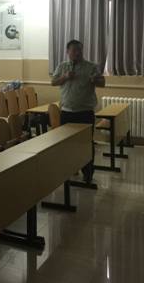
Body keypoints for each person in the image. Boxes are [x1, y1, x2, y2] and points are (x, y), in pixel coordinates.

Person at [51, 39, 105, 183]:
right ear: (67, 52)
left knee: (86, 144)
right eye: (74, 50)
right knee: (67, 144)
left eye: (79, 50)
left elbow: (103, 83)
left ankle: (88, 174)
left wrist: (95, 80)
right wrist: (65, 77)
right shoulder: (62, 66)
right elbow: (53, 82)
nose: (77, 53)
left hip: (85, 112)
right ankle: (69, 170)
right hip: (67, 112)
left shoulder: (91, 67)